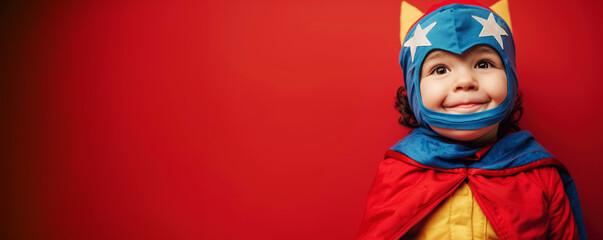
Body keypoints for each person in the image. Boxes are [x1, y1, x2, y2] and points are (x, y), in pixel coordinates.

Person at [356, 1, 586, 239]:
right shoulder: (396, 173)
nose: (465, 80)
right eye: (440, 69)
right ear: (415, 89)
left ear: (510, 77)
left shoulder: (541, 174)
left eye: (483, 64)